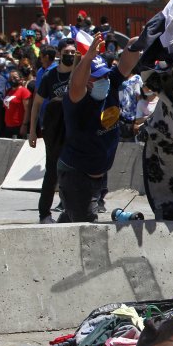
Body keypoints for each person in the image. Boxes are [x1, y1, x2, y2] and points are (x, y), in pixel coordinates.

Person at [57, 34, 138, 222]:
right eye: (98, 77)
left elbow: (130, 55)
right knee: (85, 227)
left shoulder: (111, 84)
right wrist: (87, 59)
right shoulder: (76, 100)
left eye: (106, 75)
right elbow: (76, 84)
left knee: (75, 221)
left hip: (97, 175)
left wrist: (146, 36)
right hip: (77, 175)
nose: (105, 79)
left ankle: (67, 216)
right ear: (87, 80)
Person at [28, 40, 77, 224]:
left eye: (73, 52)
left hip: (74, 127)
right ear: (59, 53)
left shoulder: (80, 73)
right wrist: (32, 131)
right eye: (66, 51)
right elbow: (37, 104)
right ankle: (44, 213)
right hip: (54, 128)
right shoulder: (50, 76)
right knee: (52, 172)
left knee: (74, 171)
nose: (70, 55)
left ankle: (70, 210)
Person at [2, 70, 31, 138]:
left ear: (21, 79)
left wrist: (24, 125)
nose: (12, 79)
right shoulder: (8, 91)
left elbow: (27, 110)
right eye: (10, 78)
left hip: (19, 126)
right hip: (8, 126)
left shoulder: (24, 91)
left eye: (15, 77)